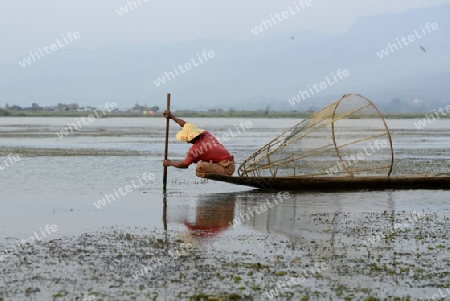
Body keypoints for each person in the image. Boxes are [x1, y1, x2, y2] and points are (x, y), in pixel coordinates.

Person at [162, 110, 235, 177]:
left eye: (187, 140)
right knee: (202, 161)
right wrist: (172, 117)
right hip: (229, 164)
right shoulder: (205, 134)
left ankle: (222, 171)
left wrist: (170, 163)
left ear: (190, 139)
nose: (187, 142)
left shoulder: (195, 150)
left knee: (200, 166)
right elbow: (185, 125)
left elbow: (185, 165)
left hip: (226, 167)